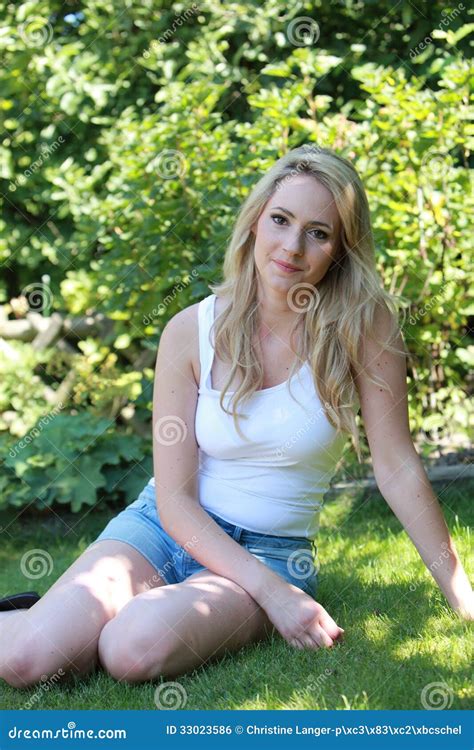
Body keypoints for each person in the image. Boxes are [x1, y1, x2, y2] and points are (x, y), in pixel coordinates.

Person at [1, 145, 472, 690]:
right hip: (161, 527)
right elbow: (175, 499)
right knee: (27, 662)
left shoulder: (364, 329)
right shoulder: (189, 331)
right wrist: (277, 599)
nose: (291, 247)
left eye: (318, 233)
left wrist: (461, 592)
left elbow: (397, 468)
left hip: (271, 549)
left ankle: (145, 610)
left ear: (341, 250)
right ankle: (29, 617)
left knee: (132, 649)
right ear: (254, 223)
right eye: (280, 220)